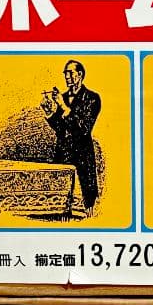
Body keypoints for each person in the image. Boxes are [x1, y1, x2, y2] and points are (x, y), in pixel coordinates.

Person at [41, 60, 101, 214]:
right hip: (63, 153)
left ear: (79, 75)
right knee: (60, 202)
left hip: (82, 155)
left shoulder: (92, 98)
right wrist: (50, 113)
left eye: (70, 73)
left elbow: (84, 128)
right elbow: (60, 129)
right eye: (65, 73)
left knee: (86, 202)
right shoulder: (63, 97)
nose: (67, 77)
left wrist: (63, 107)